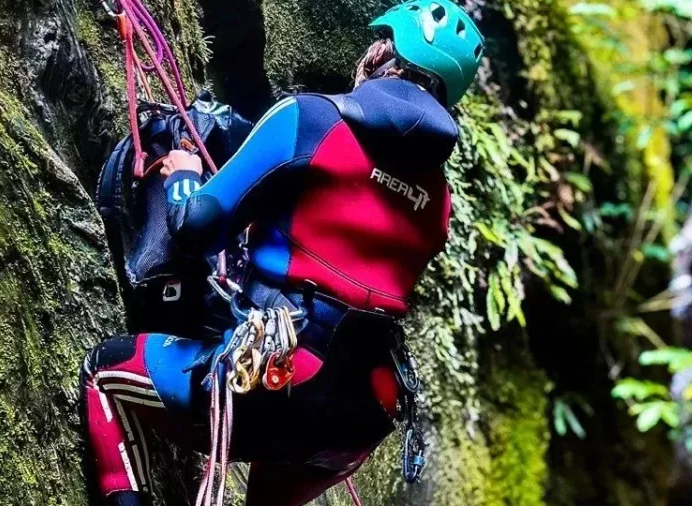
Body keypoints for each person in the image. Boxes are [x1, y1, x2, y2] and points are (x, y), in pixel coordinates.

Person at [78, 1, 484, 505]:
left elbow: (195, 226)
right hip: (361, 419)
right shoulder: (439, 202)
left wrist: (184, 172)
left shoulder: (311, 120)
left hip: (278, 376)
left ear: (381, 54)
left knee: (105, 374)